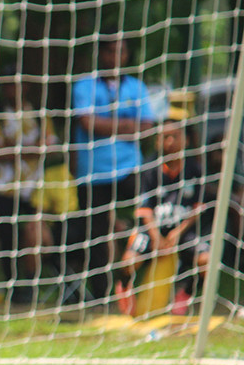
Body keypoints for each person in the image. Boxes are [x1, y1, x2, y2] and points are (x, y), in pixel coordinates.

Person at [68, 28, 156, 301]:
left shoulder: (136, 87)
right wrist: (127, 125)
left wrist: (109, 125)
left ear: (127, 54)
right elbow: (88, 123)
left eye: (121, 50)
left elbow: (148, 127)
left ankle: (137, 279)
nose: (115, 56)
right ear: (100, 54)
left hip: (130, 168)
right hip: (94, 172)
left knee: (148, 214)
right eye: (110, 50)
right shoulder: (84, 86)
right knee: (94, 234)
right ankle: (99, 296)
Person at [116, 114, 210, 316]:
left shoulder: (195, 169)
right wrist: (157, 237)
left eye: (175, 136)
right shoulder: (149, 169)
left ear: (185, 139)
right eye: (165, 137)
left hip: (182, 230)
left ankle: (185, 294)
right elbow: (144, 210)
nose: (170, 142)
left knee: (206, 259)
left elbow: (198, 208)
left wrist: (179, 231)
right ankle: (124, 288)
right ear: (157, 140)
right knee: (129, 261)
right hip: (153, 229)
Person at [0, 65, 61, 304]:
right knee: (7, 240)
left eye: (17, 83)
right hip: (4, 189)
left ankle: (30, 285)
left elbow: (50, 147)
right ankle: (12, 288)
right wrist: (32, 149)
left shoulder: (40, 114)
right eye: (8, 84)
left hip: (36, 190)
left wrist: (15, 148)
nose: (13, 89)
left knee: (32, 237)